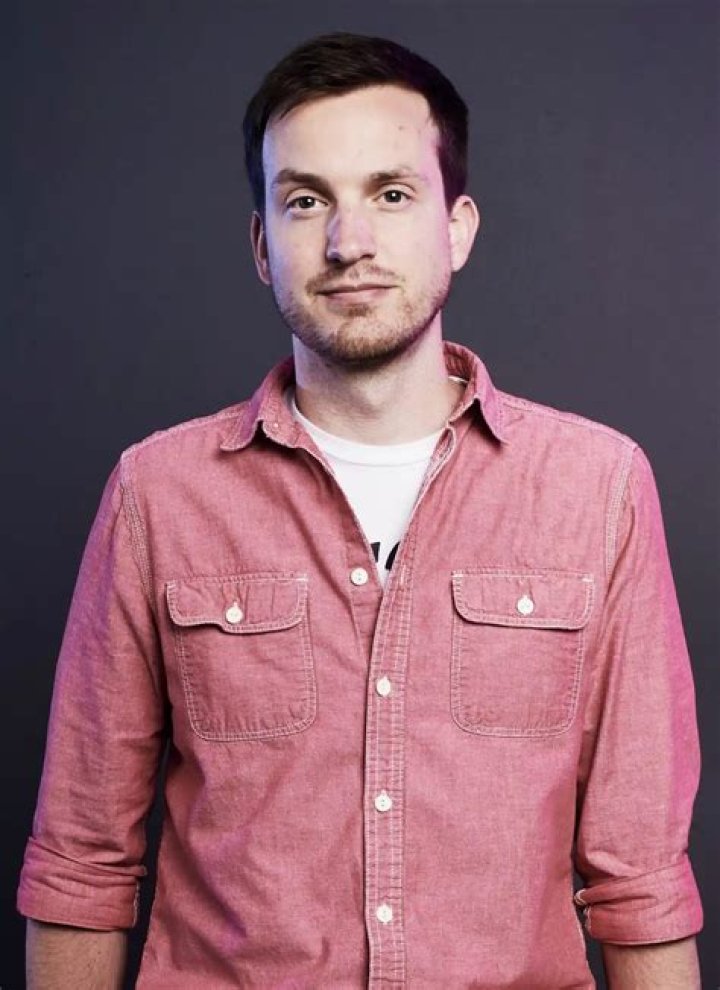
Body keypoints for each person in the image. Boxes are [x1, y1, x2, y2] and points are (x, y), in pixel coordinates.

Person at [19, 32, 703, 989]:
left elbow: (642, 879)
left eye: (390, 193)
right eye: (306, 201)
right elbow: (83, 862)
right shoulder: (157, 494)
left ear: (457, 227)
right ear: (263, 245)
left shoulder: (598, 487)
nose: (348, 243)